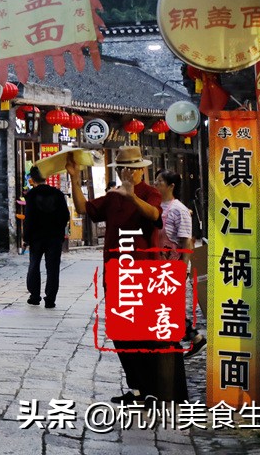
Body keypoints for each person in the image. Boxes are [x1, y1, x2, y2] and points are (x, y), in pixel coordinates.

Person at [69, 145, 183, 404]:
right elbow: (83, 209)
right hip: (116, 271)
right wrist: (75, 179)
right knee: (120, 331)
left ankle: (153, 389)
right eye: (122, 168)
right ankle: (137, 387)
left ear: (141, 169)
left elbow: (155, 216)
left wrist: (132, 197)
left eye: (131, 168)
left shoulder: (150, 193)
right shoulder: (112, 196)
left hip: (143, 270)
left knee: (144, 331)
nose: (126, 173)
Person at [155, 169, 207, 357]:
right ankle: (187, 339)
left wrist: (183, 267)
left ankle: (192, 339)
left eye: (160, 181)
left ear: (171, 186)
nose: (156, 184)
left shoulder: (179, 209)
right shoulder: (156, 206)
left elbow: (186, 241)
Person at [22, 166, 69, 308]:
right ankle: (50, 299)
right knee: (53, 268)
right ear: (45, 177)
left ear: (33, 179)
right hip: (54, 237)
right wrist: (59, 230)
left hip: (36, 237)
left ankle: (35, 296)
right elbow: (65, 216)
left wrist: (26, 238)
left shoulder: (31, 195)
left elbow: (29, 218)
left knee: (34, 265)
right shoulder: (58, 194)